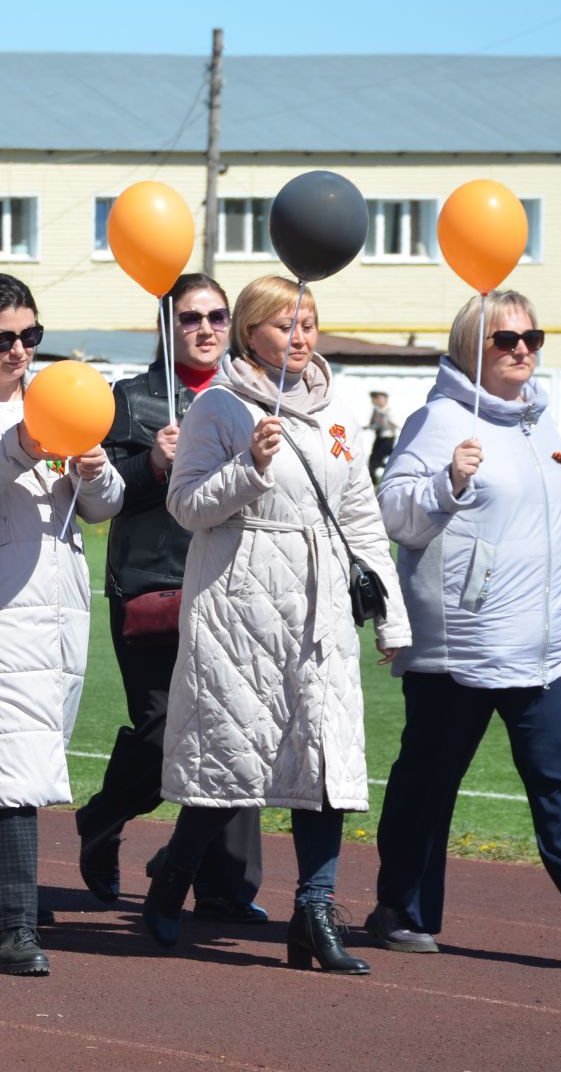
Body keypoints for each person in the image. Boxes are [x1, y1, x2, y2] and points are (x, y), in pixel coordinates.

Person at [369, 292, 561, 971]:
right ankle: (401, 910)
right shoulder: (438, 419)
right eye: (506, 339)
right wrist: (446, 482)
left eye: (533, 336)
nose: (523, 349)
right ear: (472, 346)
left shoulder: (544, 422)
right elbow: (395, 515)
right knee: (427, 783)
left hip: (553, 643)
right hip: (462, 645)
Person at [141, 275, 408, 975]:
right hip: (240, 602)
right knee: (232, 763)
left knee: (325, 763)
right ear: (251, 332)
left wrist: (392, 618)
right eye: (287, 324)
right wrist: (250, 468)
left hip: (318, 605)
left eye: (311, 323)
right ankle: (173, 876)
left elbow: (360, 517)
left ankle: (314, 912)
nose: (302, 335)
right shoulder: (219, 407)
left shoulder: (337, 409)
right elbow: (187, 505)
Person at [0, 275, 123, 976]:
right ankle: (16, 928)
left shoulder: (60, 401)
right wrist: (21, 444)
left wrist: (97, 470)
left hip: (62, 616)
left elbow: (105, 509)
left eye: (30, 337)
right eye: (3, 339)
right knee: (8, 764)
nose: (19, 351)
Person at [76, 274, 266, 919]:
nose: (206, 329)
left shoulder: (252, 396)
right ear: (166, 326)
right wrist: (151, 462)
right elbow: (98, 501)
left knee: (238, 730)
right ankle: (101, 819)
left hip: (237, 587)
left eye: (217, 316)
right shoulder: (127, 401)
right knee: (163, 732)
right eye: (190, 318)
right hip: (152, 585)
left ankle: (225, 885)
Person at [367, 391, 398, 485]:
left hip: (387, 439)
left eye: (379, 398)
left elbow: (395, 423)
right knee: (373, 461)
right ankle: (373, 482)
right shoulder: (376, 411)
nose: (377, 401)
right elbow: (374, 425)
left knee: (380, 461)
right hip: (379, 438)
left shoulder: (388, 411)